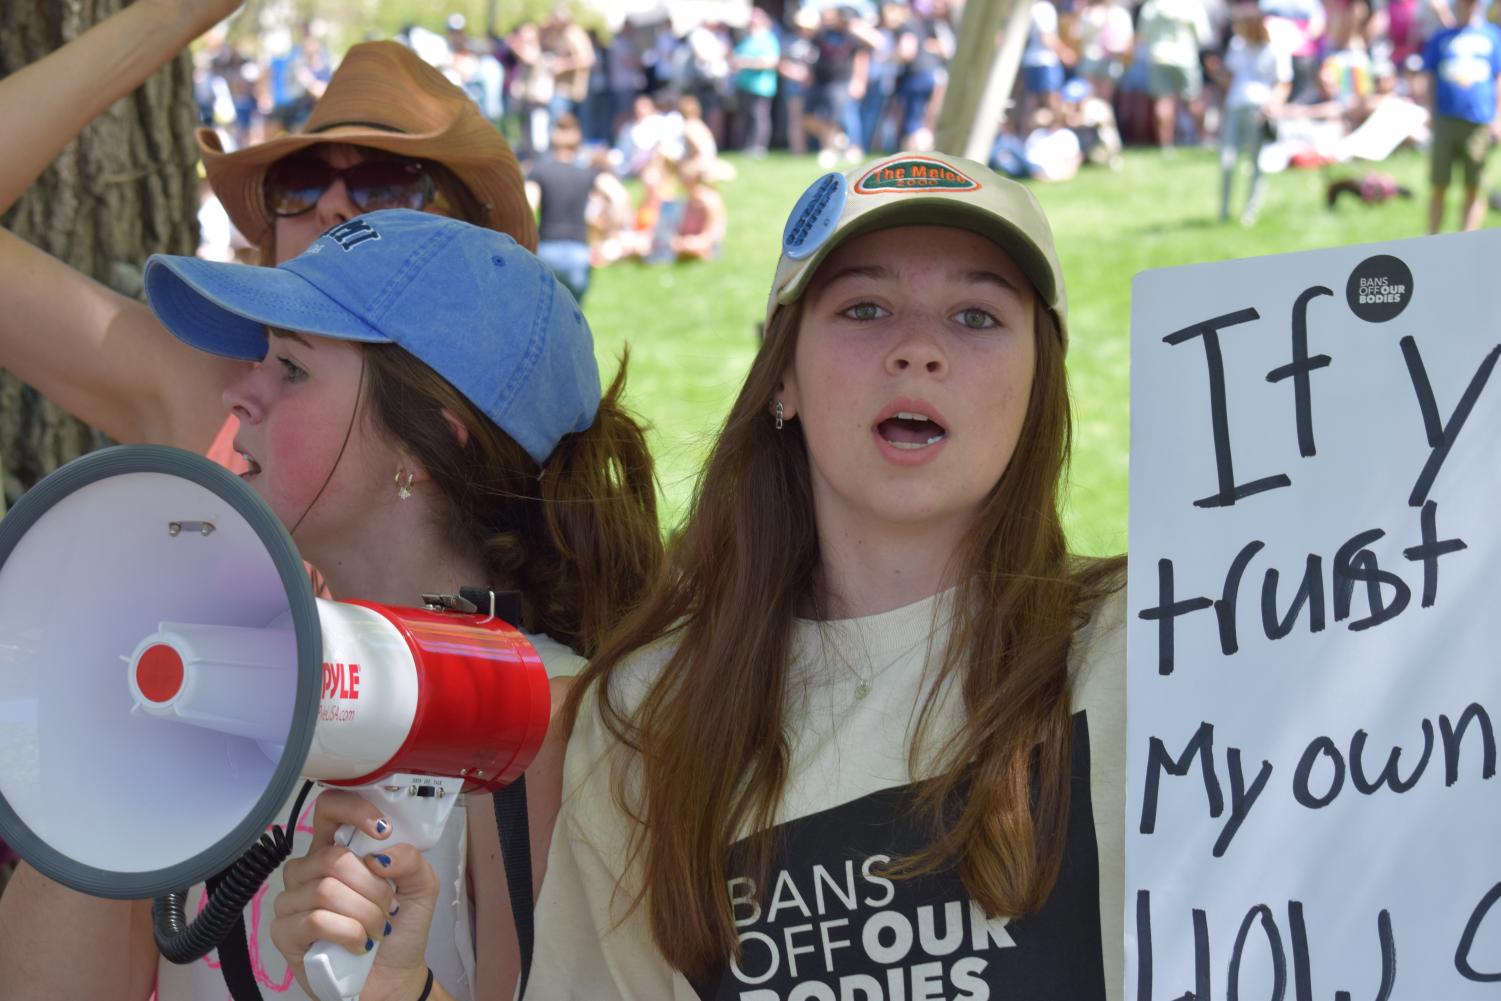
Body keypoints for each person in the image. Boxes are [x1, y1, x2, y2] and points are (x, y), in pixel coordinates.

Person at [0, 3, 608, 998]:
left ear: (435, 431)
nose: (241, 395)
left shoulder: (542, 716)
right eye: (297, 182)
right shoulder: (212, 651)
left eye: (385, 187)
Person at [526, 150, 1128, 995]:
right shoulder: (646, 713)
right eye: (865, 307)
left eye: (976, 316)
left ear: (1039, 381)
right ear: (783, 377)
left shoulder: (1152, 642)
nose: (917, 349)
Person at [123, 207, 655, 1001]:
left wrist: (394, 986)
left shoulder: (535, 724)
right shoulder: (227, 670)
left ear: (424, 447)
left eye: (291, 368)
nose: (240, 393)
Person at [526, 113, 629, 301]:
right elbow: (619, 196)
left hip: (547, 251)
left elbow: (526, 207)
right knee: (574, 319)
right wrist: (611, 236)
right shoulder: (587, 172)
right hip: (578, 254)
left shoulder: (540, 171)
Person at [1422, 0, 1501, 232]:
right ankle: (1431, 239)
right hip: (1445, 118)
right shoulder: (1441, 37)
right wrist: (1429, 112)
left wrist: (1497, 118)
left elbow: (1498, 78)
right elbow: (1429, 76)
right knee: (1439, 183)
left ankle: (1467, 241)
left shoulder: (1492, 36)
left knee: (1474, 185)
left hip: (1478, 121)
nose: (1466, 7)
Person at [1211, 3, 1293, 224]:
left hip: (1259, 110)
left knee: (1255, 162)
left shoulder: (1274, 48)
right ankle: (1223, 211)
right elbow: (1232, 79)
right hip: (1234, 107)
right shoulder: (1237, 46)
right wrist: (1215, 72)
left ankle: (1250, 211)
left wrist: (1273, 105)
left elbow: (1283, 82)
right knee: (1227, 161)